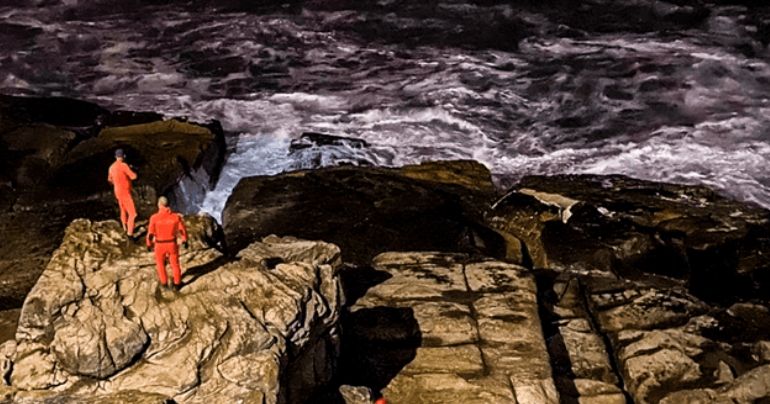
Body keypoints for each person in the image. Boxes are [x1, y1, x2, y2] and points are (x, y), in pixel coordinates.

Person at [146, 196, 188, 289]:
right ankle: (177, 283)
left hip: (159, 245)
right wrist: (185, 240)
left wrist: (149, 244)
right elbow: (182, 230)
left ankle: (164, 283)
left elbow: (150, 233)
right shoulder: (175, 217)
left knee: (160, 264)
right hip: (172, 244)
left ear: (159, 205)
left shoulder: (154, 218)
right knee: (175, 264)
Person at [107, 148, 138, 237]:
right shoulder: (124, 166)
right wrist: (134, 171)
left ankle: (124, 227)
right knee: (133, 213)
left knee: (123, 209)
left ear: (115, 157)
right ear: (123, 156)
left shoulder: (111, 167)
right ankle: (130, 233)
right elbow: (133, 177)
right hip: (125, 192)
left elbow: (110, 180)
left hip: (117, 191)